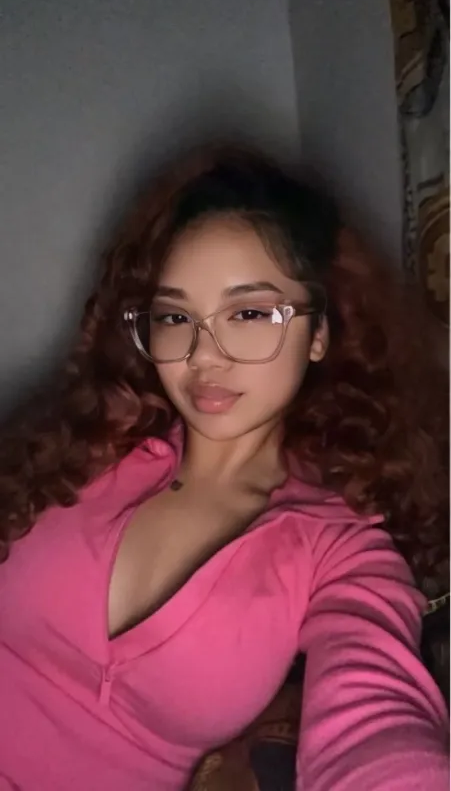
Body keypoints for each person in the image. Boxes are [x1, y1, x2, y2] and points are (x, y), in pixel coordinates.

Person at [0, 144, 448, 791]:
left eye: (249, 313)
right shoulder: (90, 440)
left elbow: (373, 725)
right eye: (175, 316)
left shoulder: (336, 547)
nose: (203, 356)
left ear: (319, 332)